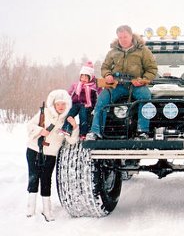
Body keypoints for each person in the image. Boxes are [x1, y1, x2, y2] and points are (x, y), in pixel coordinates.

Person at [86, 25, 158, 140]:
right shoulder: (113, 52)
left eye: (125, 37)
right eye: (120, 37)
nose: (123, 40)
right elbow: (105, 67)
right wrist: (108, 75)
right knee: (102, 100)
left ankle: (142, 131)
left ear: (131, 36)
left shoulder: (143, 51)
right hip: (116, 85)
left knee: (146, 97)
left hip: (136, 85)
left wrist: (143, 80)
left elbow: (152, 69)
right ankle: (95, 131)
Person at [26, 89, 79, 221]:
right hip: (34, 150)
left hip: (50, 155)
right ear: (53, 105)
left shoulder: (67, 121)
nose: (61, 107)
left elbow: (72, 141)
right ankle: (30, 208)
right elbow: (29, 125)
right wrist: (40, 130)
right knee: (33, 177)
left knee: (46, 180)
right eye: (58, 104)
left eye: (63, 104)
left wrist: (74, 127)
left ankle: (47, 210)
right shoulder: (44, 113)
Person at [60, 61, 102, 140]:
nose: (83, 79)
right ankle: (66, 128)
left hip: (87, 105)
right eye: (82, 77)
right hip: (76, 103)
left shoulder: (94, 86)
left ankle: (83, 133)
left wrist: (97, 104)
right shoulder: (76, 85)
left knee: (83, 115)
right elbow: (69, 93)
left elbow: (100, 94)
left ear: (91, 78)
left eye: (86, 77)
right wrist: (65, 100)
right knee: (71, 112)